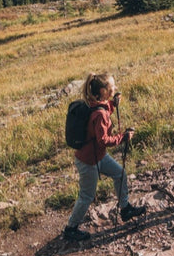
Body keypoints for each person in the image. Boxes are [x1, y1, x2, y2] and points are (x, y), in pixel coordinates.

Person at [63, 73, 146, 242]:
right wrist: (123, 137)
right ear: (103, 91)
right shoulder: (100, 113)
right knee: (86, 196)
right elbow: (103, 141)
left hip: (96, 157)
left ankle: (125, 209)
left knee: (120, 174)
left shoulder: (96, 105)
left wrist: (113, 104)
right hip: (89, 161)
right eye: (112, 88)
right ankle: (70, 228)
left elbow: (102, 111)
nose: (115, 89)